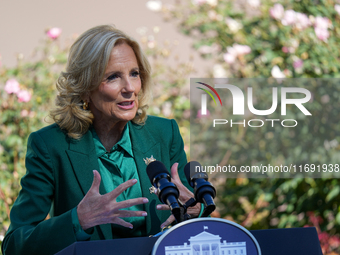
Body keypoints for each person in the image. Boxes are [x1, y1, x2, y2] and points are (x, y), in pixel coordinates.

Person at [1, 25, 200, 255]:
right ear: (85, 87)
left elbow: (191, 218)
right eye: (113, 77)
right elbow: (15, 244)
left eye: (134, 74)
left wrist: (194, 212)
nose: (129, 88)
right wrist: (78, 220)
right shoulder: (50, 145)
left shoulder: (165, 133)